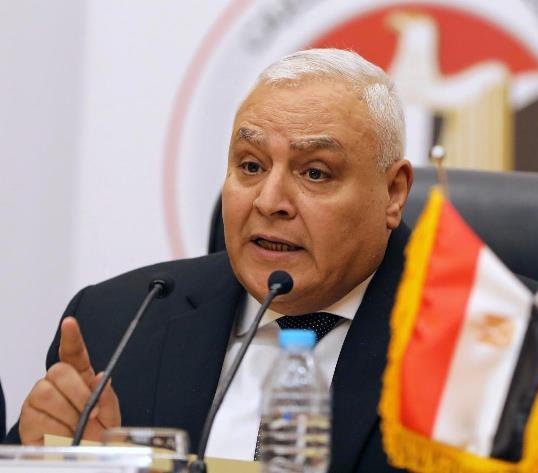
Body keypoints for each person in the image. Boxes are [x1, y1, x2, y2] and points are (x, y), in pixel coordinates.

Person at [6, 49, 414, 472]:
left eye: (315, 173)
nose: (269, 200)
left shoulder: (455, 350)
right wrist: (69, 461)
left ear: (394, 193)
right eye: (251, 165)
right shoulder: (116, 326)